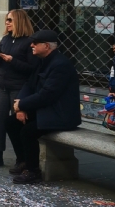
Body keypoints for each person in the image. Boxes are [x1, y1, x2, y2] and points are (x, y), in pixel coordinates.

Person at [5, 30, 81, 185]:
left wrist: (22, 104)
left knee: (28, 131)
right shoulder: (41, 61)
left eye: (35, 43)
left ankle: (33, 171)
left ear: (46, 46)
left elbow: (48, 95)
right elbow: (29, 84)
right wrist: (21, 106)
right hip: (46, 110)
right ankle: (23, 161)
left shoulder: (61, 65)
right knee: (12, 122)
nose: (31, 45)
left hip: (61, 114)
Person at [0, 9, 36, 168]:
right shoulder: (6, 40)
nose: (6, 23)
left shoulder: (28, 42)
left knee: (17, 123)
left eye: (10, 20)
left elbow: (31, 69)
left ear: (19, 22)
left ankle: (22, 157)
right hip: (2, 85)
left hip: (18, 87)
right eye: (6, 20)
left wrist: (12, 60)